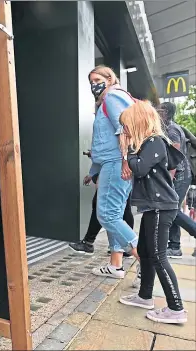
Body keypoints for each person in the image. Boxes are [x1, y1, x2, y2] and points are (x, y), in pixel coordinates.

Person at [119, 101, 187, 324]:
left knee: (158, 256)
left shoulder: (154, 141)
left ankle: (176, 309)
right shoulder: (147, 144)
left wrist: (127, 152)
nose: (125, 131)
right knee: (146, 253)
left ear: (138, 122)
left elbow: (139, 167)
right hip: (152, 207)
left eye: (126, 126)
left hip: (160, 207)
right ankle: (144, 296)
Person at [87, 65, 139, 279]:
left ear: (109, 79)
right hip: (113, 161)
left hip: (117, 162)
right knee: (115, 215)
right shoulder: (107, 102)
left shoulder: (112, 97)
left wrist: (125, 161)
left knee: (107, 215)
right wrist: (93, 171)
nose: (93, 85)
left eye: (97, 79)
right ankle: (115, 266)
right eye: (90, 81)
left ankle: (144, 258)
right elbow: (104, 141)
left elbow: (124, 128)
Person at [158, 102, 196, 258]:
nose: (156, 111)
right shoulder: (168, 127)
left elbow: (174, 157)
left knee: (171, 208)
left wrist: (168, 178)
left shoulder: (172, 130)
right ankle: (174, 246)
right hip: (179, 174)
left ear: (165, 112)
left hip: (179, 175)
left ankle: (177, 244)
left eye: (159, 109)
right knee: (172, 209)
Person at [69, 170, 134, 256]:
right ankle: (125, 247)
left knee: (102, 208)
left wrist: (99, 177)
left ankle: (89, 242)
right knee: (123, 210)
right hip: (119, 175)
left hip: (114, 175)